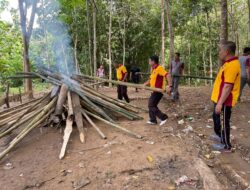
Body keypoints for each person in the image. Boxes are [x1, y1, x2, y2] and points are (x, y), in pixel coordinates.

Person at [210, 41, 240, 152]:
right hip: (219, 98)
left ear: (227, 52)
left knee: (224, 122)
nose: (219, 53)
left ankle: (227, 146)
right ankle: (220, 137)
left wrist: (220, 103)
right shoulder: (227, 63)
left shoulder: (232, 65)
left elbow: (228, 86)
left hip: (225, 100)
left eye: (221, 50)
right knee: (216, 118)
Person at [144, 55, 172, 126]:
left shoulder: (159, 68)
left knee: (151, 105)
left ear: (153, 61)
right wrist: (144, 84)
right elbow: (150, 80)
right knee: (153, 105)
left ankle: (164, 117)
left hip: (158, 91)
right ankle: (153, 120)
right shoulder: (154, 69)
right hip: (153, 91)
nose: (148, 62)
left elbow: (168, 75)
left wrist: (170, 86)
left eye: (149, 60)